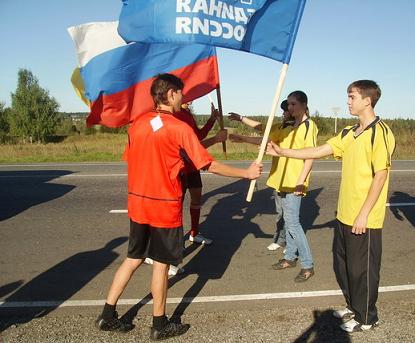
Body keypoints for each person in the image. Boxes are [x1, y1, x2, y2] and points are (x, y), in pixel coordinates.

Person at [96, 73, 262, 341]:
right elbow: (208, 164)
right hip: (163, 207)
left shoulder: (137, 124)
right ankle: (159, 324)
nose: (184, 98)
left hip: (138, 203)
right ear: (171, 94)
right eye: (182, 93)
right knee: (160, 265)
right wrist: (246, 174)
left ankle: (107, 314)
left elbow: (132, 159)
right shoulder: (179, 127)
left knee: (133, 258)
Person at [266, 80, 395, 332]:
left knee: (363, 270)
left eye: (352, 97)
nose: (348, 101)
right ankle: (352, 306)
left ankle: (367, 318)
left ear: (367, 101)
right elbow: (320, 150)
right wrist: (283, 152)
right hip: (345, 213)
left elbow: (380, 175)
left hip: (364, 217)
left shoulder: (380, 133)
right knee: (344, 265)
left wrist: (364, 214)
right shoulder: (349, 132)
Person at [230, 92, 317, 282]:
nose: (290, 107)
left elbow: (310, 155)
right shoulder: (287, 126)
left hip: (295, 182)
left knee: (293, 223)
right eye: (289, 104)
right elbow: (265, 135)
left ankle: (307, 264)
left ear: (303, 104)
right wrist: (243, 136)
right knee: (288, 220)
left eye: (293, 104)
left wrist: (302, 180)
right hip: (281, 180)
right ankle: (289, 258)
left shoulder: (308, 126)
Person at [229, 100, 293, 251]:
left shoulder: (292, 129)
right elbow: (262, 128)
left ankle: (291, 243)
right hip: (279, 178)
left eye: (285, 110)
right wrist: (241, 118)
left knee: (290, 216)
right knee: (280, 213)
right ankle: (280, 240)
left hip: (291, 178)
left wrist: (243, 138)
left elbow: (265, 140)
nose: (283, 113)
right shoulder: (280, 126)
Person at [174, 101, 227, 245]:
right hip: (180, 168)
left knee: (196, 198)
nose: (191, 100)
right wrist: (216, 139)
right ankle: (173, 242)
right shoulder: (175, 115)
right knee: (175, 206)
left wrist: (211, 120)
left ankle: (194, 233)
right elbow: (191, 148)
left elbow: (198, 136)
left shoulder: (187, 113)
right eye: (186, 95)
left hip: (193, 166)